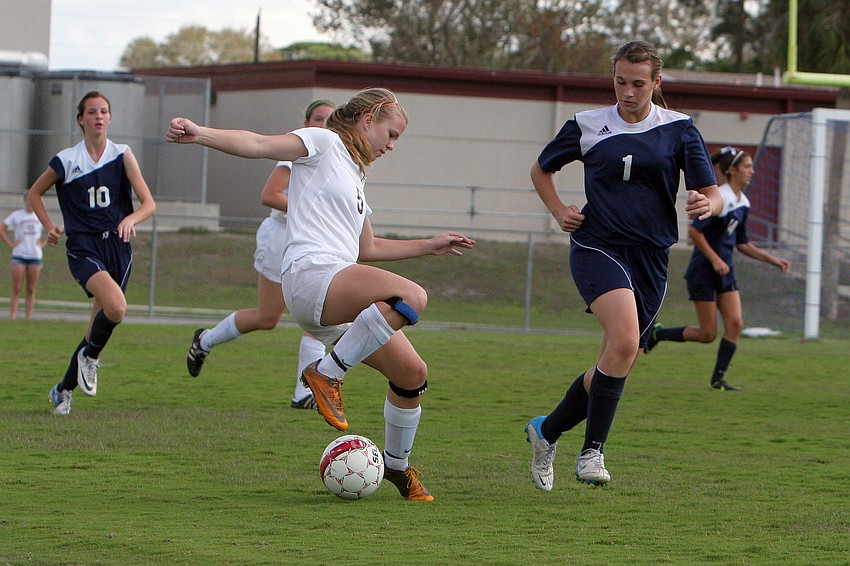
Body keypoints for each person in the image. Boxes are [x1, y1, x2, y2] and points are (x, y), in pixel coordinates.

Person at [166, 87, 475, 501]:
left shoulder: (357, 176)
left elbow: (367, 249)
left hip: (334, 296)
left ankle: (398, 470)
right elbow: (258, 144)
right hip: (311, 274)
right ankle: (326, 373)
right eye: (392, 133)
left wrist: (428, 244)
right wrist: (200, 132)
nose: (391, 145)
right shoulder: (325, 142)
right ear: (368, 119)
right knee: (412, 298)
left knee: (412, 375)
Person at [525, 41, 722, 492]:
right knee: (625, 340)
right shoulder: (587, 125)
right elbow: (540, 171)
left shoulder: (680, 129)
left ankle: (546, 431)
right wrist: (558, 211)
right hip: (598, 246)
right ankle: (592, 453)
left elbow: (711, 193)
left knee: (618, 358)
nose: (627, 92)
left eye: (637, 83)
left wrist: (704, 204)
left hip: (651, 255)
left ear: (657, 82)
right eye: (619, 81)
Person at [185, 100, 336, 410]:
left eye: (330, 119)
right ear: (306, 123)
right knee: (267, 318)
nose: (323, 124)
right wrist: (309, 207)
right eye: (318, 118)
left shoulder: (333, 160)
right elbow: (270, 195)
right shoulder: (295, 155)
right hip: (280, 239)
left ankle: (303, 392)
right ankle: (205, 341)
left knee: (318, 316)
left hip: (311, 243)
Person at [27, 90, 156, 416]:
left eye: (103, 111)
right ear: (81, 119)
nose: (98, 116)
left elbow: (149, 204)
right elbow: (34, 193)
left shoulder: (122, 154)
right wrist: (48, 225)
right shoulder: (66, 160)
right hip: (84, 246)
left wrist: (131, 218)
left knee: (96, 326)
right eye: (91, 111)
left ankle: (62, 390)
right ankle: (91, 357)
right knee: (116, 307)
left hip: (118, 247)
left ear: (110, 118)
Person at [643, 147, 791, 390]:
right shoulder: (718, 198)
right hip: (704, 271)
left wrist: (772, 260)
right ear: (732, 170)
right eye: (747, 167)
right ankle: (658, 334)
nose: (752, 171)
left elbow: (741, 243)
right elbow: (694, 232)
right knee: (707, 334)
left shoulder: (743, 202)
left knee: (735, 325)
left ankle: (718, 380)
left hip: (726, 271)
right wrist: (715, 260)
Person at [1, 195, 46, 320]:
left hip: (35, 255)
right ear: (25, 201)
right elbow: (2, 228)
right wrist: (10, 243)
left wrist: (44, 243)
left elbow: (51, 230)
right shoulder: (17, 215)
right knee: (17, 287)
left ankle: (28, 318)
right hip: (19, 254)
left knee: (31, 288)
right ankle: (13, 317)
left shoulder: (40, 216)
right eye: (29, 201)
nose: (31, 205)